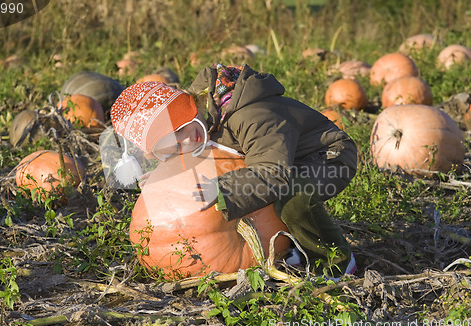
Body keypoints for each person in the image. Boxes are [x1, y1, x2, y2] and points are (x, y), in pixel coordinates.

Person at [110, 63, 358, 279]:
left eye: (179, 130)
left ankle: (335, 261)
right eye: (172, 146)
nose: (185, 143)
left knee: (292, 194)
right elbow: (202, 152)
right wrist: (161, 176)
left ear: (183, 109)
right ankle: (295, 245)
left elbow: (273, 173)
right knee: (261, 190)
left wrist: (224, 189)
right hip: (280, 157)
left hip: (326, 156)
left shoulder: (253, 117)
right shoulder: (205, 115)